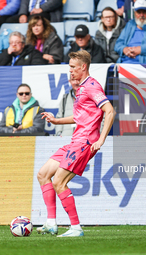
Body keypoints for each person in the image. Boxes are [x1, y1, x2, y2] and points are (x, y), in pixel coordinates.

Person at [37, 50, 115, 237]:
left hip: (85, 142)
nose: (70, 71)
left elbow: (110, 111)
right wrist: (57, 121)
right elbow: (80, 118)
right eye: (69, 67)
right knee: (43, 174)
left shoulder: (92, 86)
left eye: (73, 67)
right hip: (75, 141)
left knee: (59, 181)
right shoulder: (82, 88)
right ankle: (51, 223)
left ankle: (76, 228)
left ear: (83, 67)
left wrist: (101, 139)